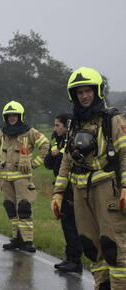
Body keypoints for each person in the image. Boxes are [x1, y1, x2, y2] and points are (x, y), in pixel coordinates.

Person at [52, 67, 126, 290]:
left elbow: (124, 155)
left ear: (97, 92)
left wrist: (125, 187)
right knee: (92, 247)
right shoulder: (74, 124)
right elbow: (66, 161)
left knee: (113, 245)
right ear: (73, 95)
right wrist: (58, 192)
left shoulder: (112, 120)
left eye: (88, 91)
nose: (84, 96)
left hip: (107, 188)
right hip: (80, 190)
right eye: (80, 92)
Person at [0, 101, 49, 253]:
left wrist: (34, 163)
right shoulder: (2, 133)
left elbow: (45, 145)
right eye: (9, 116)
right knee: (10, 208)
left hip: (22, 178)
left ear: (20, 116)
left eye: (14, 115)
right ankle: (16, 238)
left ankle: (27, 240)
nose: (12, 118)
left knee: (23, 208)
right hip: (6, 178)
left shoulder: (29, 132)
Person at [44, 113, 83, 272]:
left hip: (71, 189)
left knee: (71, 225)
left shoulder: (72, 142)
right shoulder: (58, 142)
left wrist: (59, 155)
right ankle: (69, 258)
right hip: (62, 188)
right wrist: (52, 154)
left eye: (58, 125)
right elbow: (48, 164)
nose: (55, 129)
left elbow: (65, 165)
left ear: (67, 127)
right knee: (66, 224)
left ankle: (75, 260)